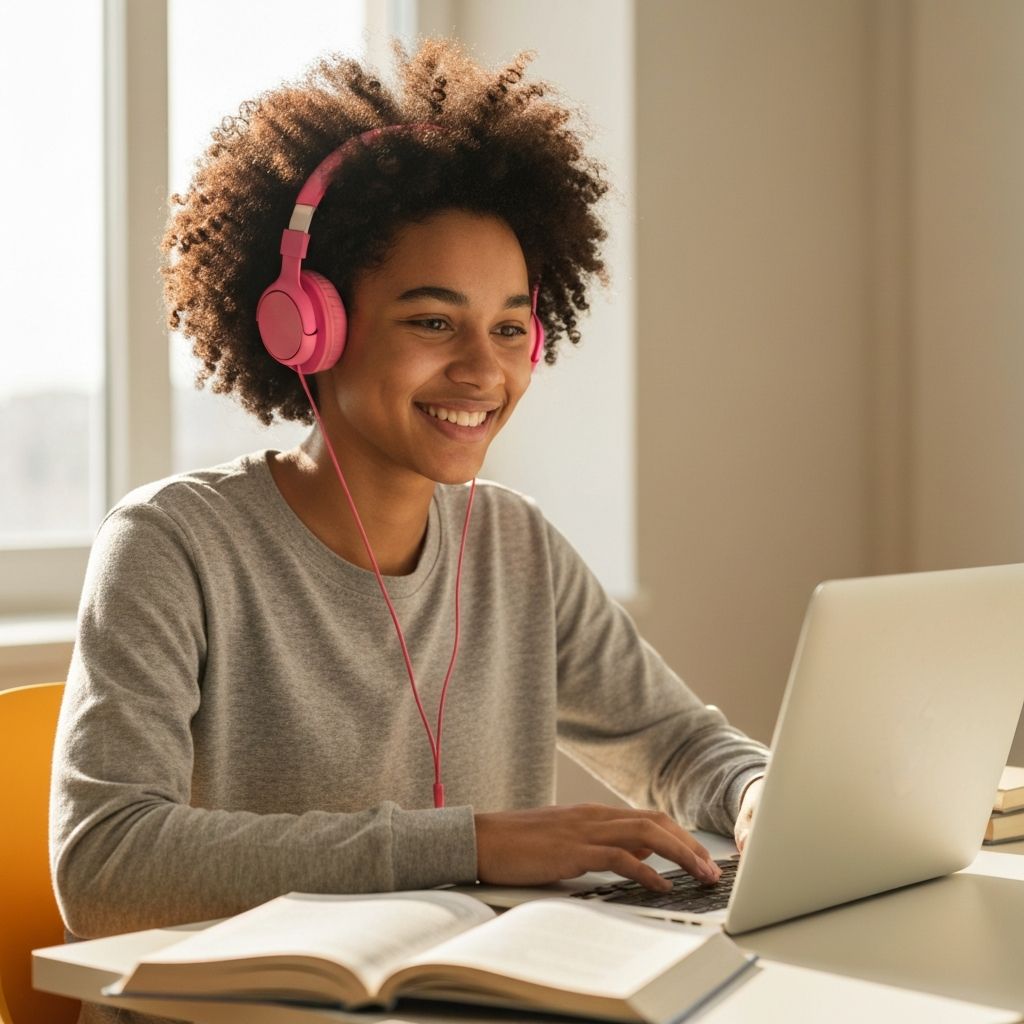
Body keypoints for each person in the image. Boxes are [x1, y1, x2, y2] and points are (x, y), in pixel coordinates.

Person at [50, 38, 768, 1024]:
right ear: (309, 326)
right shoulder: (172, 545)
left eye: (509, 328)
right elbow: (106, 865)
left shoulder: (514, 544)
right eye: (434, 323)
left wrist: (760, 797)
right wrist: (471, 843)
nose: (484, 370)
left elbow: (677, 744)